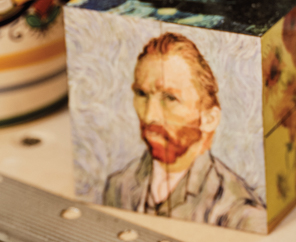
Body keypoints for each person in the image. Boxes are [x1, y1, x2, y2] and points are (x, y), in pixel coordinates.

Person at [103, 32, 265, 230]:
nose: (149, 116)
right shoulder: (118, 186)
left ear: (209, 119)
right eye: (141, 94)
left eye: (170, 98)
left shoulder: (241, 214)